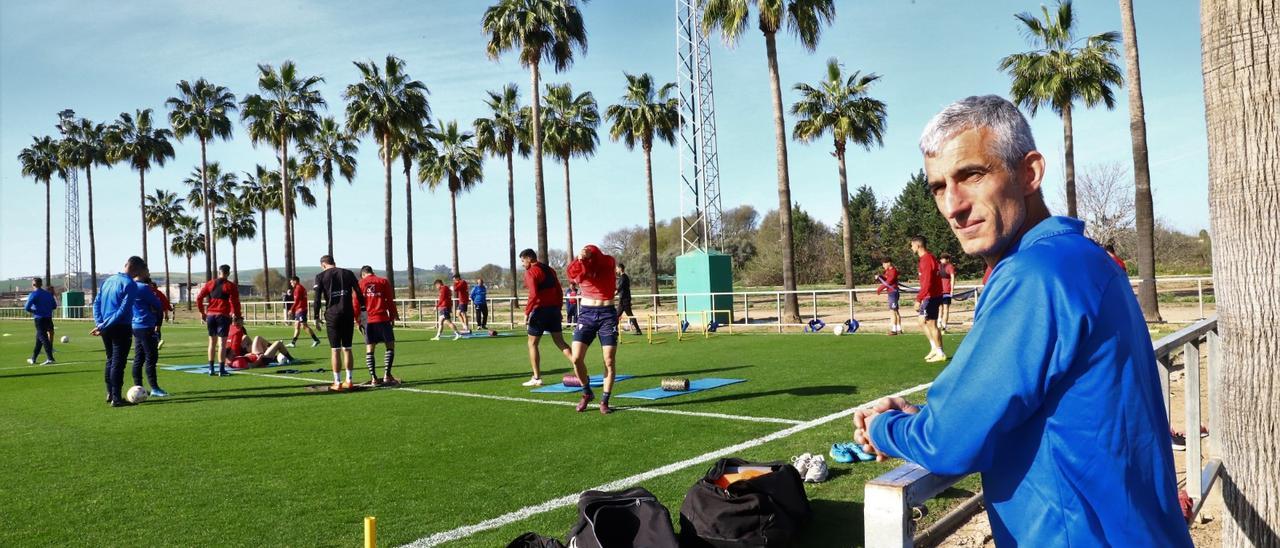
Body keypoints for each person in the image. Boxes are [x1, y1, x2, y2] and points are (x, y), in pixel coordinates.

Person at [853, 95, 1192, 546]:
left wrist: (881, 427)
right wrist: (927, 418)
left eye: (971, 174)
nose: (953, 205)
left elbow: (948, 443)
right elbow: (1036, 411)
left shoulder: (1037, 273)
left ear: (1029, 173)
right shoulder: (1084, 259)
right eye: (938, 186)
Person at [566, 244, 620, 414]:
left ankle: (605, 400)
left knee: (609, 360)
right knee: (576, 358)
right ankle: (587, 392)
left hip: (607, 314)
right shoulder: (582, 265)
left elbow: (605, 262)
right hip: (587, 314)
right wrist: (580, 259)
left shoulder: (607, 261)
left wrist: (590, 255)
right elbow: (575, 275)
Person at [92, 256, 143, 407]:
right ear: (135, 269)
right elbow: (123, 310)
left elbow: (96, 303)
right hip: (120, 326)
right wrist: (103, 325)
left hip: (106, 327)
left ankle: (110, 393)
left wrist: (100, 323)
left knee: (110, 360)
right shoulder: (130, 284)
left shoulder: (108, 280)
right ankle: (116, 398)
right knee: (118, 363)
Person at [519, 248, 573, 387]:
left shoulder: (531, 272)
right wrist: (559, 309)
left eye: (523, 260)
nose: (522, 264)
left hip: (540, 312)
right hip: (553, 311)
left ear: (529, 259)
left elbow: (533, 295)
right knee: (560, 342)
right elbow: (559, 291)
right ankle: (580, 368)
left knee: (532, 344)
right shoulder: (550, 270)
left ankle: (537, 378)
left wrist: (526, 312)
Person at [313, 255, 365, 391]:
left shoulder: (320, 276)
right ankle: (350, 380)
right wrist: (363, 310)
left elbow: (317, 299)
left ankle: (337, 382)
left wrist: (316, 316)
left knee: (335, 350)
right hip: (348, 313)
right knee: (347, 348)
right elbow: (359, 292)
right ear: (334, 263)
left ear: (323, 265)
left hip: (332, 315)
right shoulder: (348, 273)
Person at [196, 264, 242, 376]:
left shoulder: (210, 283)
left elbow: (199, 298)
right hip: (223, 316)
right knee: (222, 343)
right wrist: (238, 316)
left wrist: (202, 312)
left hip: (211, 315)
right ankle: (221, 370)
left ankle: (211, 369)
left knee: (212, 342)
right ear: (228, 273)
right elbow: (235, 303)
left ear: (219, 272)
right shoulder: (230, 285)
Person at [359, 266, 400, 385]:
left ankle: (373, 378)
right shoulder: (383, 281)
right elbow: (389, 300)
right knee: (390, 346)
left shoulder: (361, 283)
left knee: (370, 349)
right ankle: (387, 375)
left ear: (363, 274)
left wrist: (358, 321)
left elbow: (356, 303)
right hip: (382, 318)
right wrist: (392, 316)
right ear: (372, 272)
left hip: (368, 321)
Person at [130, 273, 167, 397]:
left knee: (138, 358)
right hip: (146, 326)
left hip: (135, 326)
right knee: (150, 358)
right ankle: (154, 388)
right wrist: (158, 324)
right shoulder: (144, 288)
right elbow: (158, 306)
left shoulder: (130, 287)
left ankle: (138, 387)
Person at [911, 236, 946, 362]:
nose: (911, 248)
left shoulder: (926, 259)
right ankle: (934, 348)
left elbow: (927, 282)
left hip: (931, 296)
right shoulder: (926, 259)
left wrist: (918, 299)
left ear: (918, 245)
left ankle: (940, 352)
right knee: (921, 321)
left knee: (931, 324)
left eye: (912, 245)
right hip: (929, 295)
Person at [223, 317, 294, 369]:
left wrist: (248, 354)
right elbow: (252, 366)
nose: (234, 352)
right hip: (262, 359)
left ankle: (271, 348)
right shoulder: (237, 362)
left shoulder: (232, 360)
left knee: (257, 337)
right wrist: (258, 359)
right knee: (278, 343)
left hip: (254, 355)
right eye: (232, 353)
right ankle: (292, 360)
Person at [24, 277, 57, 365]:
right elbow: (54, 306)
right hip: (48, 318)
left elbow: (27, 307)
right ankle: (33, 358)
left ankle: (50, 358)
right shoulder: (48, 294)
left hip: (39, 318)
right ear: (41, 284)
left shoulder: (34, 294)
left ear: (33, 284)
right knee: (39, 338)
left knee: (43, 338)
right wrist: (46, 309)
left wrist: (35, 311)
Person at [287, 276, 320, 348]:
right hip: (299, 310)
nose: (291, 284)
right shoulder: (300, 288)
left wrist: (291, 309)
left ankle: (316, 340)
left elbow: (297, 301)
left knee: (304, 326)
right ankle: (293, 343)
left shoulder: (298, 288)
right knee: (297, 326)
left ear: (295, 281)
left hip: (301, 310)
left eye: (291, 282)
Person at [875, 258, 902, 335]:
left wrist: (880, 289)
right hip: (892, 292)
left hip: (893, 293)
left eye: (884, 264)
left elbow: (889, 281)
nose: (883, 266)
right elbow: (886, 278)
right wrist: (880, 277)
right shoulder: (888, 271)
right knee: (895, 310)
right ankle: (899, 329)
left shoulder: (893, 271)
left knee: (892, 311)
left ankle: (894, 330)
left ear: (889, 263)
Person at [615, 263, 641, 335]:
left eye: (617, 269)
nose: (616, 270)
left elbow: (620, 287)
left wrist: (616, 292)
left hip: (624, 300)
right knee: (629, 315)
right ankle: (638, 330)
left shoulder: (623, 277)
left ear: (620, 269)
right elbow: (619, 287)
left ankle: (615, 330)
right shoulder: (623, 277)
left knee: (617, 315)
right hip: (624, 299)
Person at [147, 279, 173, 349]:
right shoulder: (159, 293)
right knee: (157, 328)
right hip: (159, 312)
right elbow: (165, 303)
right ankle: (158, 342)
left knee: (150, 328)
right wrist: (167, 313)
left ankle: (156, 341)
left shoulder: (148, 292)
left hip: (151, 312)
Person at [938, 253, 957, 332]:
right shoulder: (946, 267)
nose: (941, 260)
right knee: (943, 308)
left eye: (943, 258)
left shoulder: (946, 267)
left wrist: (952, 290)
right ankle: (941, 324)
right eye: (941, 258)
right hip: (942, 291)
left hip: (943, 291)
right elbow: (952, 279)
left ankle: (941, 324)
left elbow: (952, 278)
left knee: (943, 308)